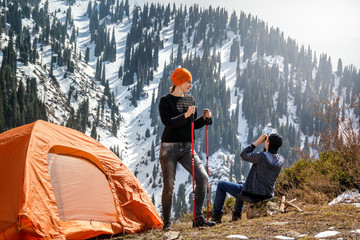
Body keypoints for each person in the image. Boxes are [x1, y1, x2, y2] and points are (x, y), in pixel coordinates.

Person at [158, 67, 215, 230]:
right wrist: (185, 115)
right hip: (169, 148)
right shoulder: (165, 101)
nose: (191, 85)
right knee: (169, 185)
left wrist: (204, 119)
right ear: (180, 82)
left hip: (187, 147)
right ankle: (167, 223)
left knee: (203, 178)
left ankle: (198, 218)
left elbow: (191, 124)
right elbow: (167, 122)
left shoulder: (190, 100)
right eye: (188, 82)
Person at [211, 133, 284, 223]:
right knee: (241, 183)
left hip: (253, 195)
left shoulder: (260, 157)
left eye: (267, 140)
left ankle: (216, 217)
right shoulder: (280, 160)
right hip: (267, 194)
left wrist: (256, 143)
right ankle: (236, 216)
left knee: (221, 185)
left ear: (268, 143)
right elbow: (267, 156)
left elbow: (243, 154)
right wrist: (267, 145)